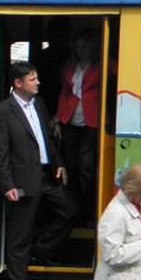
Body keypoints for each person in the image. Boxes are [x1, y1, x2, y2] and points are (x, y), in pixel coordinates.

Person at [0, 61, 78, 280]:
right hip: (21, 180)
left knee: (70, 209)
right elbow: (1, 152)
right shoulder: (3, 110)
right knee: (20, 234)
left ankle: (43, 248)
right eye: (32, 79)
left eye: (37, 77)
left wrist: (58, 163)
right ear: (18, 83)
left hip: (45, 174)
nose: (38, 82)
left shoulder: (38, 104)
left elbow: (46, 140)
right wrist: (7, 185)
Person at [55, 29, 101, 223]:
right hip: (69, 121)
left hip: (91, 122)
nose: (82, 51)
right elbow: (65, 92)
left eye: (85, 47)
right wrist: (58, 119)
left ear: (92, 48)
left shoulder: (101, 64)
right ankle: (75, 212)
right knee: (71, 168)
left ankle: (90, 211)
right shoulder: (70, 66)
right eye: (78, 47)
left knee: (86, 168)